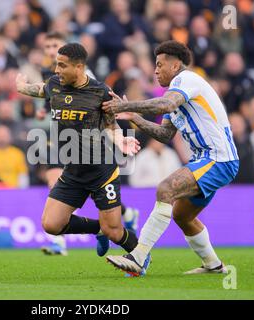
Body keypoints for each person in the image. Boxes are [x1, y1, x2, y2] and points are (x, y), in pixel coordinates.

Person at [102, 40, 240, 276]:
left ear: (175, 65)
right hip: (206, 159)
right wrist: (134, 117)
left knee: (165, 189)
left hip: (218, 158)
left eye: (159, 64)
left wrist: (126, 104)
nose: (155, 70)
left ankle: (137, 256)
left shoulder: (186, 80)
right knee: (182, 215)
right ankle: (214, 265)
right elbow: (165, 134)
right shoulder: (176, 94)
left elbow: (166, 105)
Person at [16, 42, 141, 259]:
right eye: (57, 64)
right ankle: (99, 230)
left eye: (62, 66)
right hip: (73, 172)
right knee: (51, 224)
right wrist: (21, 87)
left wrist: (121, 140)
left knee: (114, 230)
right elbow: (38, 89)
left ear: (79, 67)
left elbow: (111, 125)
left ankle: (141, 255)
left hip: (100, 171)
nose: (57, 70)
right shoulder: (55, 84)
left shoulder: (99, 92)